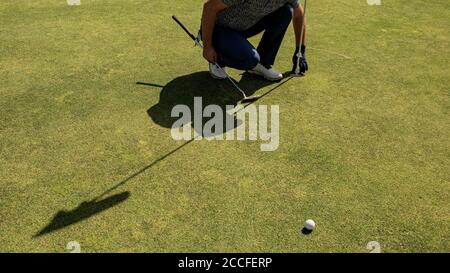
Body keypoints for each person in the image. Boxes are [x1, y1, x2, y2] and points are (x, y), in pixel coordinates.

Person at [201, 0, 308, 81]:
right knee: (250, 60)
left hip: (245, 26)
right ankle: (219, 59)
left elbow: (299, 15)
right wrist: (207, 46)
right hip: (219, 29)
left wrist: (300, 50)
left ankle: (262, 63)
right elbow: (210, 7)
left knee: (287, 11)